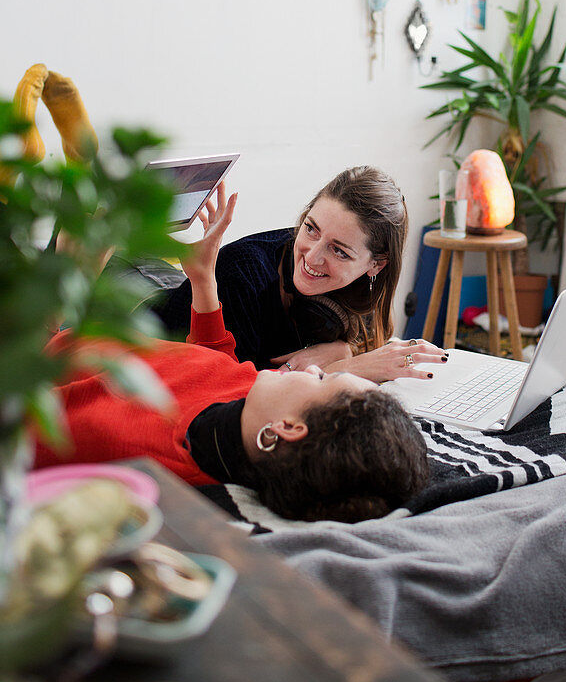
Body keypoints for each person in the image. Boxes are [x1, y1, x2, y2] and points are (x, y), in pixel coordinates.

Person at [33, 185, 430, 523]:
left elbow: (24, 403)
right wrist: (204, 280)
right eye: (311, 229)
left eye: (322, 380)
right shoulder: (248, 409)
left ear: (289, 427)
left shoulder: (130, 440)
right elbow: (214, 366)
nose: (313, 371)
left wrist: (65, 290)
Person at [153, 165, 445, 382]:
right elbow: (230, 395)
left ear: (376, 265)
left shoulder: (361, 288)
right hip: (140, 320)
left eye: (339, 251)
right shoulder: (240, 271)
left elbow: (366, 342)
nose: (312, 256)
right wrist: (342, 368)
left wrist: (343, 350)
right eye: (311, 228)